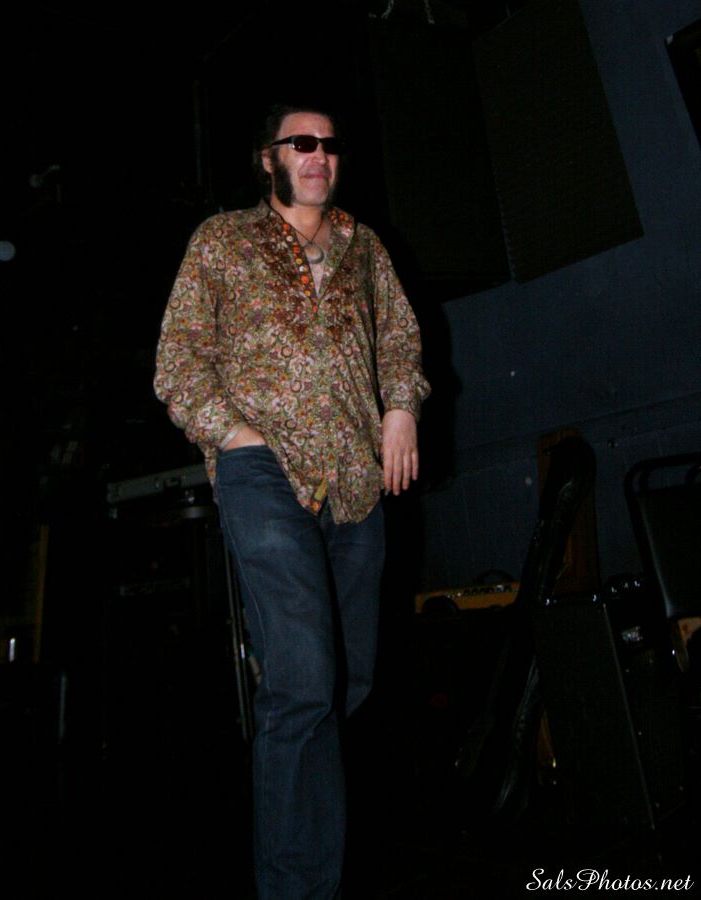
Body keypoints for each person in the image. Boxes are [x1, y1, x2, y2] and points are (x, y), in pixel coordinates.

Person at [154, 102, 430, 899]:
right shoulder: (222, 240)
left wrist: (401, 408)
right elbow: (178, 358)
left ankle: (311, 839)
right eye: (301, 143)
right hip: (263, 470)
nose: (319, 155)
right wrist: (233, 434)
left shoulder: (362, 246)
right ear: (267, 158)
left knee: (347, 682)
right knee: (305, 680)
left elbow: (400, 341)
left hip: (355, 481)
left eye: (329, 145)